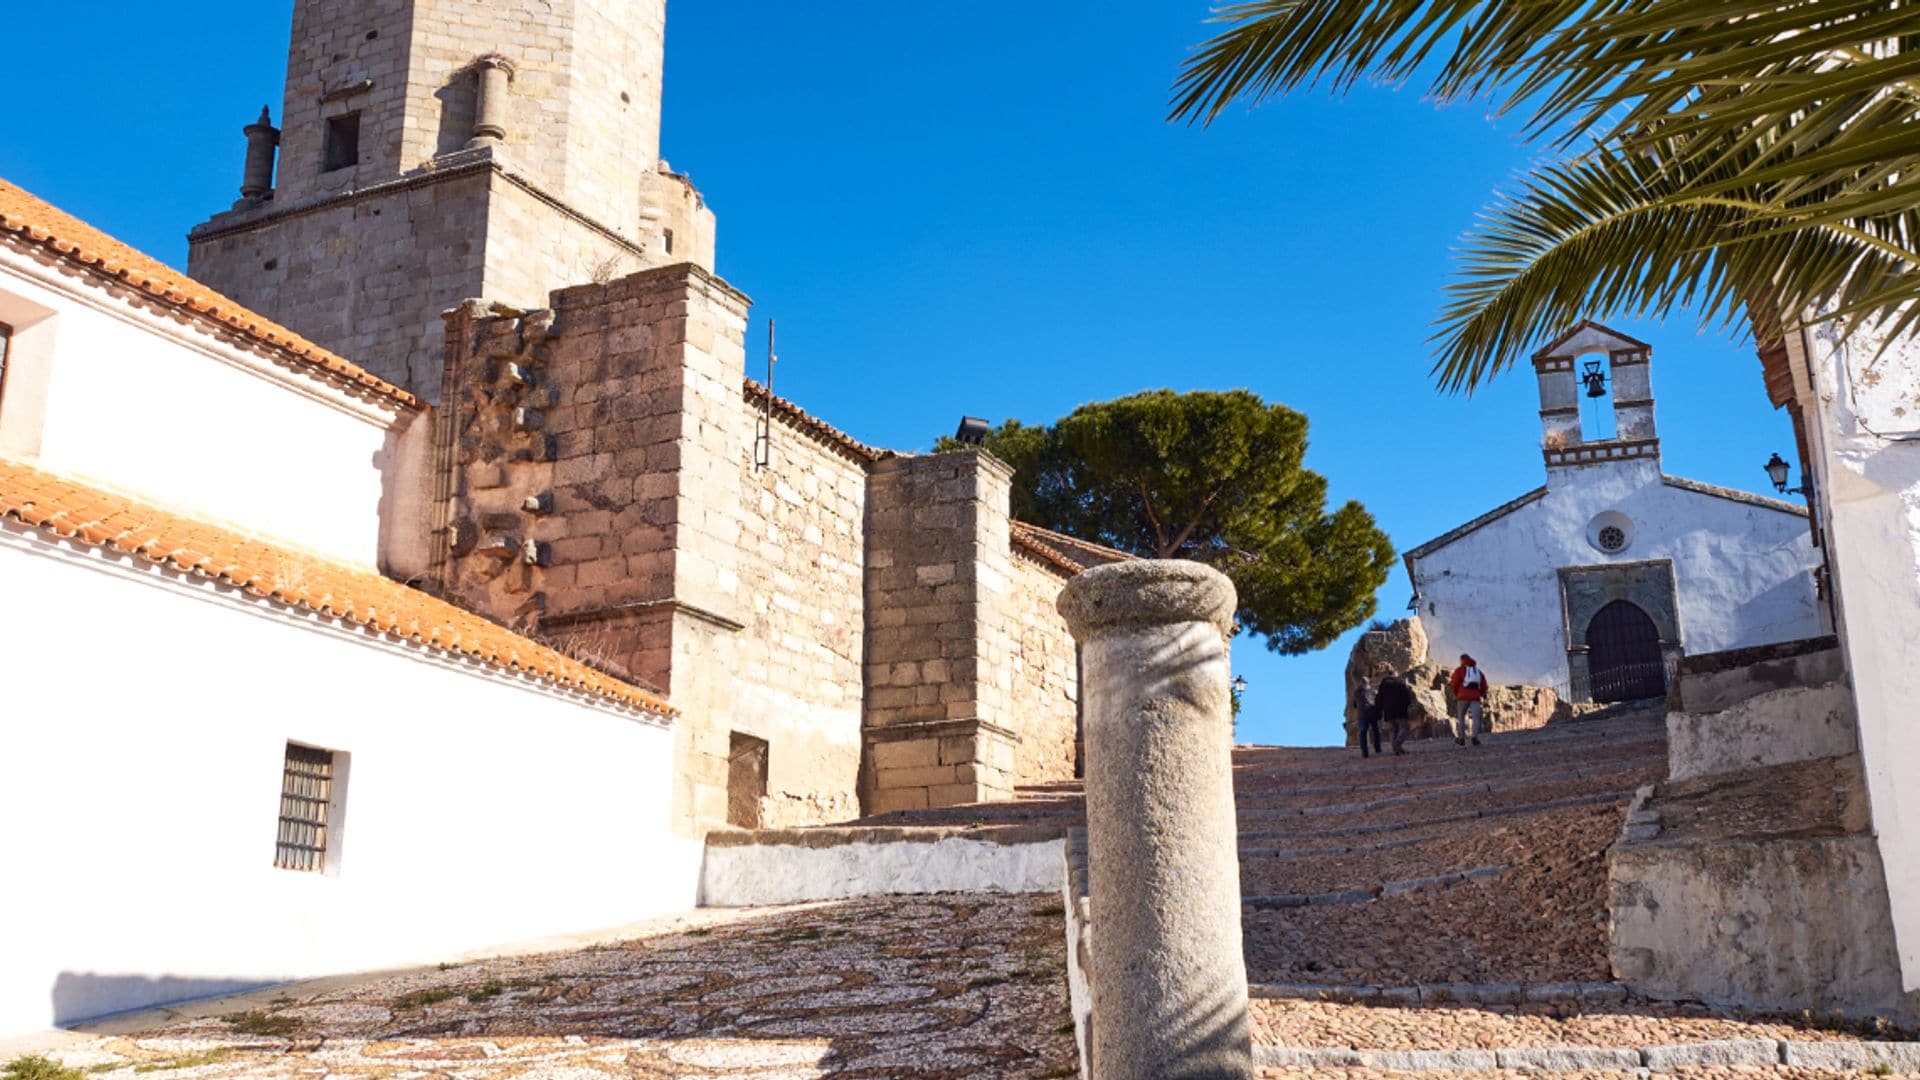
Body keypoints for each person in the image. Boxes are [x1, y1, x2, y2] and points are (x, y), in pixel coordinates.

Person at [1449, 653, 1489, 746]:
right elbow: (1484, 685)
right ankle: (1474, 737)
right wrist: (1480, 694)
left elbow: (1454, 683)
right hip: (1475, 697)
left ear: (1462, 660)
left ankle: (1461, 738)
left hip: (1463, 697)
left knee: (1461, 717)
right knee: (1476, 718)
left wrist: (1457, 694)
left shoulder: (1459, 670)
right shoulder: (1478, 671)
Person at [1376, 674, 1413, 755]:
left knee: (1393, 729)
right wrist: (1407, 705)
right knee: (1405, 727)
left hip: (1388, 712)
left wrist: (1380, 709)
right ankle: (1397, 744)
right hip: (1400, 710)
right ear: (1394, 675)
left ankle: (1395, 749)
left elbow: (1379, 698)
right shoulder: (1400, 682)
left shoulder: (1383, 685)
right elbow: (1406, 696)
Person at [1352, 677, 1381, 758]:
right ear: (1368, 683)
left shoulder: (1357, 692)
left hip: (1363, 715)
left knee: (1363, 733)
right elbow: (1378, 702)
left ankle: (1365, 752)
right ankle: (1377, 748)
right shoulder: (1373, 691)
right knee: (1375, 731)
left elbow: (1354, 705)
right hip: (1371, 714)